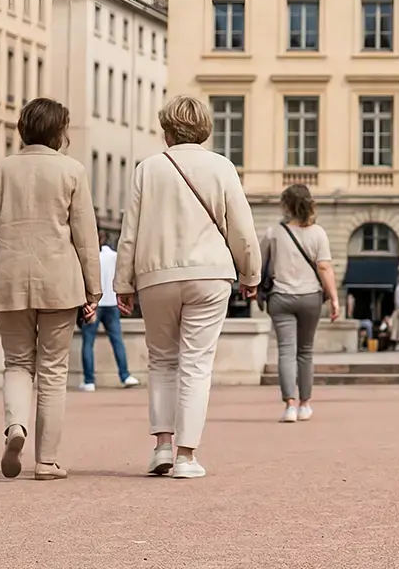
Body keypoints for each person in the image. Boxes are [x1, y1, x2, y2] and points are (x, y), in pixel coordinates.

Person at [115, 96, 261, 481]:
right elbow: (242, 229)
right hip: (210, 274)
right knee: (196, 364)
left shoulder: (147, 168)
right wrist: (251, 274)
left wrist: (123, 282)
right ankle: (186, 455)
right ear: (205, 130)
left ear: (166, 131)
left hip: (156, 274)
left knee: (161, 360)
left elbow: (129, 232)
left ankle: (161, 445)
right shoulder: (222, 167)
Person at [0, 99, 101, 480]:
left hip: (8, 278)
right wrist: (94, 289)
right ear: (60, 131)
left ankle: (15, 427)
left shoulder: (0, 171)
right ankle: (46, 460)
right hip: (59, 279)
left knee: (17, 363)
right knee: (54, 371)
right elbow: (85, 236)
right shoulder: (72, 171)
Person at [262, 184, 338, 423]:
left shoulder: (273, 232)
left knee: (286, 350)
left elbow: (260, 264)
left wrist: (254, 290)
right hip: (310, 298)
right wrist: (334, 298)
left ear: (285, 205)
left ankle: (290, 406)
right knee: (305, 351)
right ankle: (305, 404)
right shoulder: (318, 233)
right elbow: (324, 268)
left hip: (280, 296)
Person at [78, 242, 141, 392]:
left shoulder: (91, 258)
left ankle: (89, 381)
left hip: (94, 303)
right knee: (117, 341)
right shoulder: (114, 257)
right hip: (112, 303)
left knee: (88, 342)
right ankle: (125, 375)